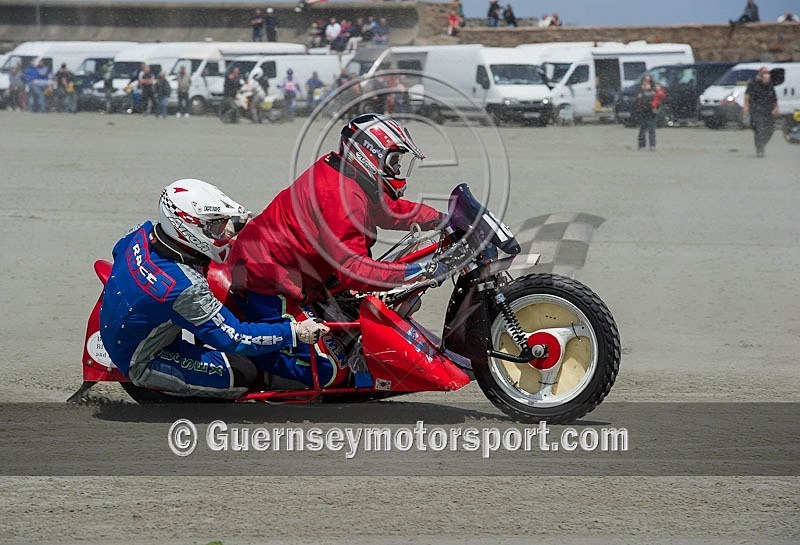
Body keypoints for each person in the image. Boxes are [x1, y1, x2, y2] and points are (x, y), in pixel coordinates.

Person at [226, 114, 448, 387]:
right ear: (369, 155)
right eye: (394, 161)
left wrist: (441, 218)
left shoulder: (350, 178)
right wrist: (415, 271)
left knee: (361, 328)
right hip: (269, 283)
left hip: (296, 274)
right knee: (333, 372)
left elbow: (388, 212)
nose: (397, 170)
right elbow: (354, 272)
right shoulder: (341, 195)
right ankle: (251, 360)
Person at [99, 179, 330, 399]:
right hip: (144, 360)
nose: (226, 232)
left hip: (128, 322)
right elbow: (236, 337)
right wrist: (294, 332)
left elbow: (118, 251)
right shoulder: (186, 289)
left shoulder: (141, 231)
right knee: (245, 373)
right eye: (217, 226)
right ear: (185, 227)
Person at [744, 66, 779, 158]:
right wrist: (746, 107)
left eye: (767, 72)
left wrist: (776, 108)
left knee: (770, 130)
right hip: (756, 110)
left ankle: (762, 144)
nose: (766, 74)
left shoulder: (770, 85)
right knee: (759, 130)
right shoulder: (753, 84)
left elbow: (774, 98)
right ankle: (760, 150)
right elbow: (747, 96)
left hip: (768, 111)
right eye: (764, 73)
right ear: (760, 74)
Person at [635, 74, 665, 151]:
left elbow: (662, 96)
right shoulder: (639, 89)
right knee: (642, 129)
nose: (646, 82)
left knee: (652, 130)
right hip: (642, 111)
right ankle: (641, 146)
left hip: (652, 112)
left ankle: (652, 145)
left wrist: (658, 90)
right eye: (645, 80)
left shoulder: (654, 89)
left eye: (648, 80)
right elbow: (637, 100)